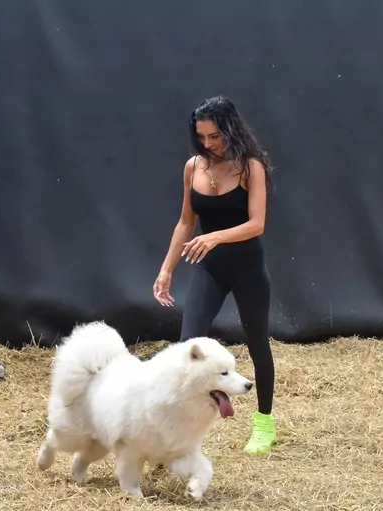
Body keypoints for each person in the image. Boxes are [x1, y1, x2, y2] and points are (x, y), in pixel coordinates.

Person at [152, 95, 276, 455]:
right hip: (210, 269)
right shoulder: (193, 166)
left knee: (258, 345)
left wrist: (215, 236)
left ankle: (264, 424)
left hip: (247, 267)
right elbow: (185, 222)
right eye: (202, 137)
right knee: (188, 345)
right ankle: (178, 428)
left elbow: (257, 224)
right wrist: (166, 270)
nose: (208, 144)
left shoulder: (250, 167)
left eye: (215, 137)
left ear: (231, 130)